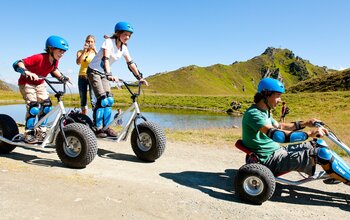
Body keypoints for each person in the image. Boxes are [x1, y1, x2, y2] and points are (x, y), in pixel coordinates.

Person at [242, 77, 336, 179]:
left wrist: (306, 123)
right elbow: (278, 136)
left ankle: (335, 175)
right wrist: (309, 134)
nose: (280, 100)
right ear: (266, 94)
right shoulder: (254, 114)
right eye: (278, 95)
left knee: (319, 144)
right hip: (268, 159)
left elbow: (280, 126)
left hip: (277, 151)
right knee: (322, 154)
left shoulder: (265, 111)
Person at [87, 21, 148, 138]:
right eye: (125, 34)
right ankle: (97, 128)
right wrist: (109, 74)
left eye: (129, 35)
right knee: (102, 100)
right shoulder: (109, 42)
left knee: (109, 100)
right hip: (94, 71)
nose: (128, 37)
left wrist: (140, 77)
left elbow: (130, 63)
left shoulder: (124, 48)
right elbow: (105, 59)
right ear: (118, 33)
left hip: (104, 73)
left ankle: (106, 127)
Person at [13, 36, 70, 143]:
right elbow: (18, 63)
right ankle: (28, 133)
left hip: (40, 84)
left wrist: (62, 77)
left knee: (47, 106)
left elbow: (54, 70)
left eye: (64, 52)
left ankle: (41, 131)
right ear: (50, 48)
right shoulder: (39, 57)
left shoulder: (54, 61)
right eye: (60, 50)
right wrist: (27, 72)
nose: (62, 53)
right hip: (27, 83)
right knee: (33, 107)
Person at [76, 35, 97, 115]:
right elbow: (78, 62)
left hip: (92, 76)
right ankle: (84, 119)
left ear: (94, 43)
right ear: (85, 42)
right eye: (88, 41)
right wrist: (84, 51)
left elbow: (102, 62)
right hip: (82, 76)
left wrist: (95, 50)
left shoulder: (96, 53)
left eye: (92, 41)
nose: (90, 43)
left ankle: (96, 121)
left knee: (93, 99)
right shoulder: (80, 52)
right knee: (83, 99)